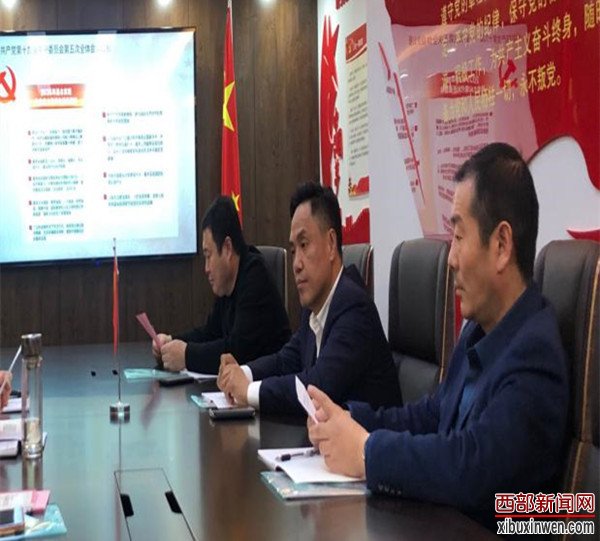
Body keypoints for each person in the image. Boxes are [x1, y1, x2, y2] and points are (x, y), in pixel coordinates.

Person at [307, 143, 569, 529]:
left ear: (501, 245)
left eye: (459, 237)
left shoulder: (536, 356)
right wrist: (352, 419)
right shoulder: (479, 330)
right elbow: (433, 415)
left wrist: (366, 451)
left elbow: (471, 465)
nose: (451, 259)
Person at [218, 182, 402, 415]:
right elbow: (286, 360)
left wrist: (248, 391)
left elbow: (317, 386)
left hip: (370, 438)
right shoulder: (315, 307)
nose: (296, 264)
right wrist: (242, 373)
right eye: (294, 250)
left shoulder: (354, 308)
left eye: (304, 245)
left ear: (331, 244)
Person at [154, 196, 291, 374]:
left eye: (208, 256)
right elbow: (210, 333)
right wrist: (171, 342)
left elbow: (237, 351)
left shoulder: (256, 277)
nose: (206, 269)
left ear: (227, 248)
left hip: (270, 386)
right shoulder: (227, 284)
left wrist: (186, 355)